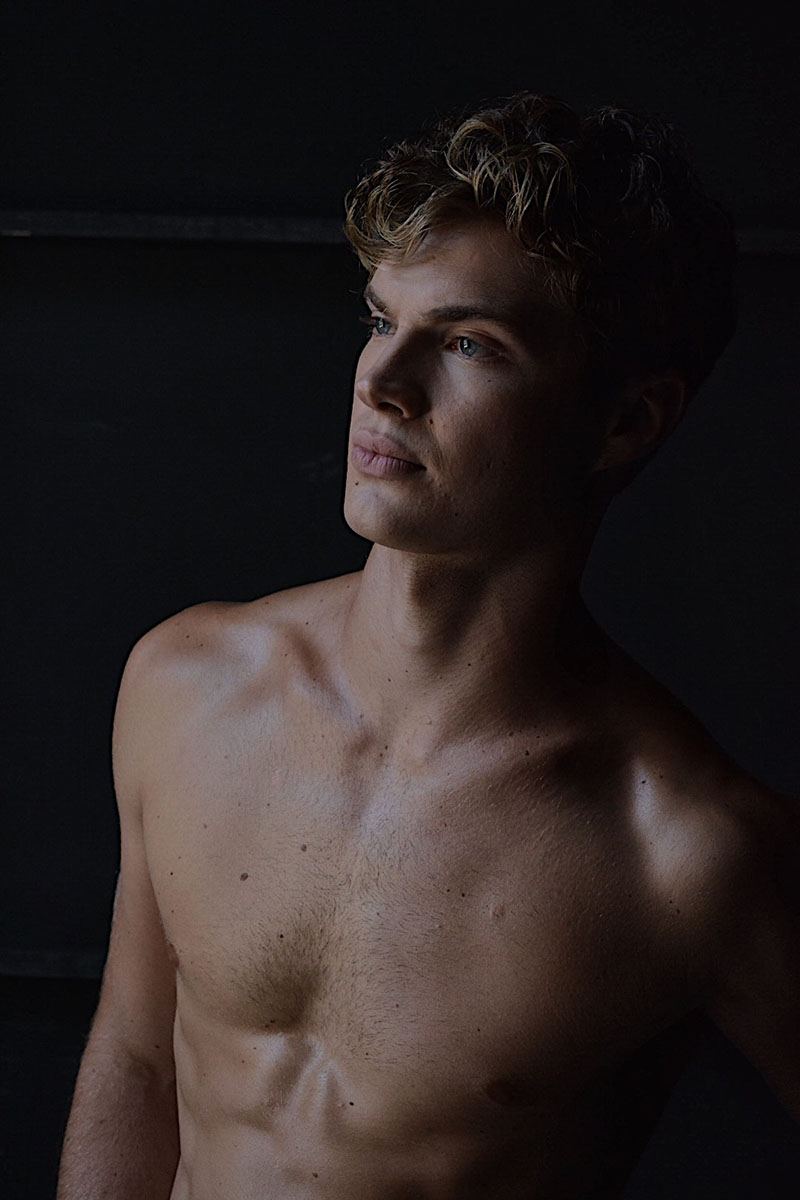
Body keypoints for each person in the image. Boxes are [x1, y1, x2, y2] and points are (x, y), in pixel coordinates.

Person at [57, 92, 799, 1199]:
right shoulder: (185, 684)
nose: (382, 382)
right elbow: (137, 1059)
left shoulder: (690, 851)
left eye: (466, 343)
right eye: (379, 321)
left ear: (626, 421)